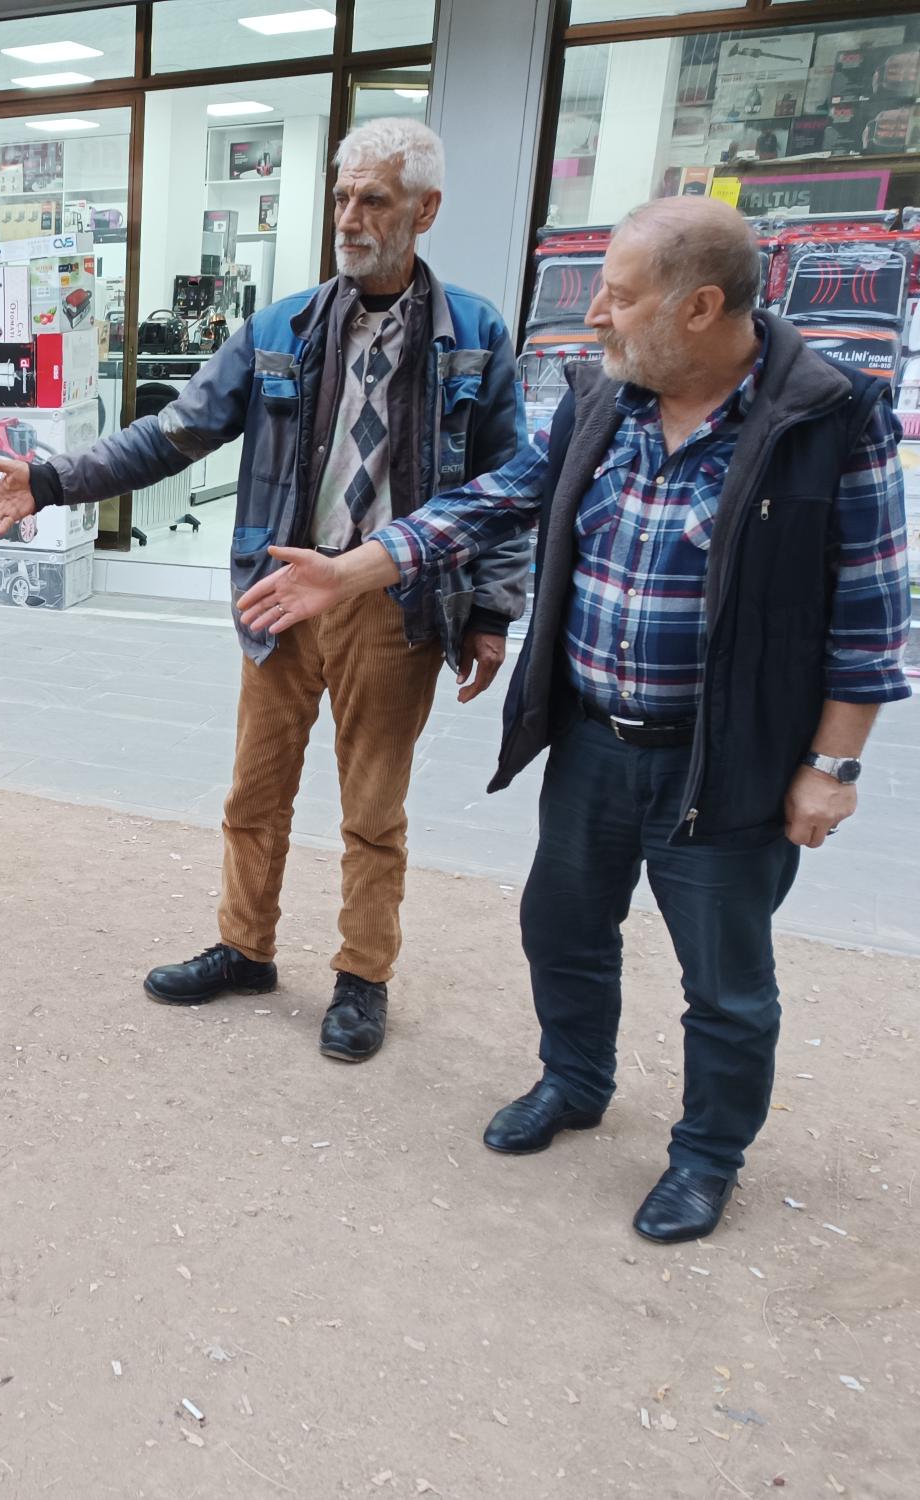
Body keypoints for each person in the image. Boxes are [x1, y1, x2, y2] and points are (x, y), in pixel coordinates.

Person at [239, 196, 911, 1244]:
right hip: (594, 738)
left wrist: (834, 764)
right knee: (561, 928)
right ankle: (574, 1081)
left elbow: (870, 613)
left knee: (723, 981)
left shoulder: (829, 415)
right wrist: (350, 571)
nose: (591, 314)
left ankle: (704, 1157)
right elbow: (489, 499)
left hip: (725, 758)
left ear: (697, 308)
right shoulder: (605, 399)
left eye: (616, 293)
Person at [0, 118, 530, 1063]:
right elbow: (173, 433)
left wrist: (489, 611)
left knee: (371, 809)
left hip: (392, 602)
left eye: (374, 200)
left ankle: (361, 976)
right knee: (254, 792)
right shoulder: (282, 328)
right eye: (343, 196)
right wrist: (54, 479)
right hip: (280, 592)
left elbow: (504, 490)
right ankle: (243, 947)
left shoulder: (474, 336)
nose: (350, 218)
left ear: (425, 211)